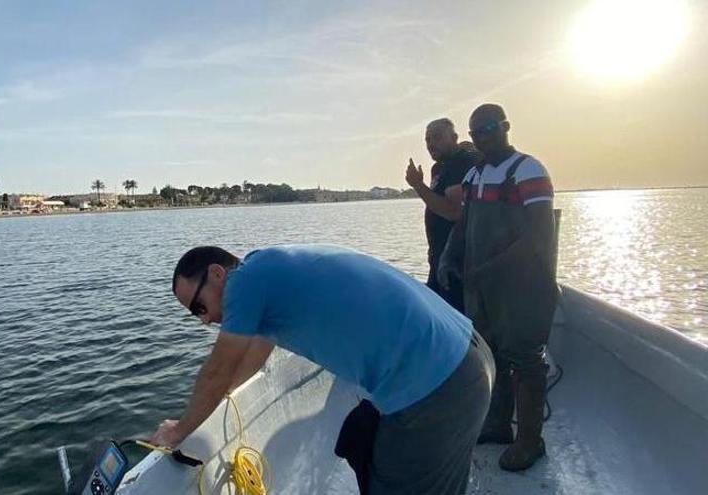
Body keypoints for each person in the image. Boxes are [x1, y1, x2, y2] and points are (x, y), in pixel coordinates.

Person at [151, 244, 493, 494]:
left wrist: (179, 430)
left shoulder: (245, 282)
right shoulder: (269, 276)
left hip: (438, 386)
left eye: (199, 306)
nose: (205, 319)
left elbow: (217, 371)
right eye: (196, 315)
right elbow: (247, 361)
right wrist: (218, 401)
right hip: (466, 357)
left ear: (217, 273)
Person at [439, 103, 558, 472]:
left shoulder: (528, 171)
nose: (483, 137)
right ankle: (497, 424)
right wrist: (448, 258)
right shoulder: (475, 176)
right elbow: (463, 224)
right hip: (483, 290)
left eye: (489, 128)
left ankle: (530, 440)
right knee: (491, 355)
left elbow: (539, 234)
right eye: (476, 133)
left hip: (522, 290)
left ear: (505, 126)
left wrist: (489, 270)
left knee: (525, 360)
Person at [405, 118, 482, 312]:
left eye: (437, 138)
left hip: (456, 264)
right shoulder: (439, 168)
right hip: (438, 260)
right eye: (428, 139)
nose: (431, 144)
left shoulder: (462, 162)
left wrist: (418, 185)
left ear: (455, 138)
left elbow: (453, 211)